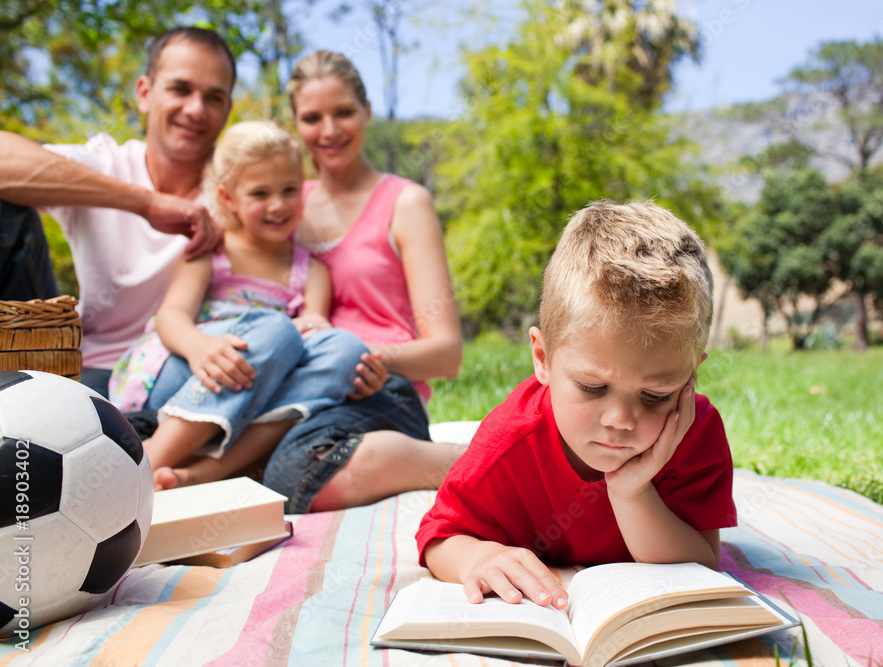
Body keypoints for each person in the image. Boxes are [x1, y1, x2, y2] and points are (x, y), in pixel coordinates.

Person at [416, 201, 737, 610]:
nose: (621, 420)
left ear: (690, 377)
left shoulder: (694, 432)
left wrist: (631, 492)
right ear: (543, 359)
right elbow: (439, 537)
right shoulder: (507, 443)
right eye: (592, 386)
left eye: (656, 395)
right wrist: (477, 557)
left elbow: (700, 563)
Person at [109, 120, 367, 490]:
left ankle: (204, 473)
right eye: (260, 193)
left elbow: (315, 326)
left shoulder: (311, 271)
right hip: (183, 374)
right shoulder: (213, 252)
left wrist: (312, 328)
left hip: (251, 388)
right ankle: (150, 460)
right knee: (276, 329)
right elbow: (170, 316)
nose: (278, 205)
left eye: (289, 190)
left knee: (346, 349)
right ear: (228, 197)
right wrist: (199, 347)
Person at [260, 50, 465, 512]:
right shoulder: (282, 205)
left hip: (382, 391)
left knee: (294, 472)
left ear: (367, 111)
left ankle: (464, 462)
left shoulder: (405, 203)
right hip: (302, 390)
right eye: (312, 118)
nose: (329, 130)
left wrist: (367, 360)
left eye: (344, 113)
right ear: (295, 123)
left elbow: (447, 353)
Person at [0, 27, 231, 397]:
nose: (196, 109)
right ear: (144, 93)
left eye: (214, 97)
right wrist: (145, 203)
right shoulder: (106, 164)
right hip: (78, 363)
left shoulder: (242, 192)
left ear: (227, 110)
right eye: (180, 89)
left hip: (177, 372)